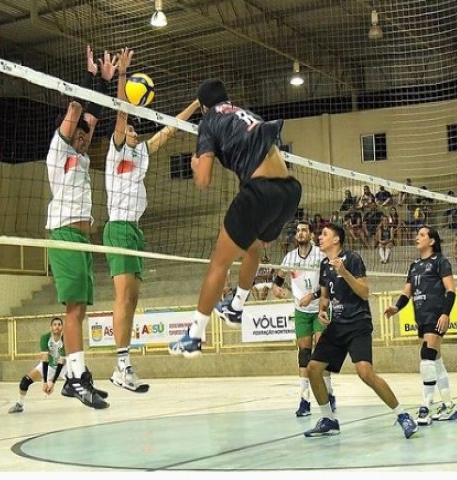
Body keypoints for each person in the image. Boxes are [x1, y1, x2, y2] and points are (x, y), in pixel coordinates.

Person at [168, 78, 302, 357]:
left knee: (218, 263)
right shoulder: (248, 114)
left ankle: (194, 335)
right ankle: (236, 307)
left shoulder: (209, 121)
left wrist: (194, 166)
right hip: (289, 193)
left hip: (260, 194)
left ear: (204, 107)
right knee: (251, 246)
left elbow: (203, 180)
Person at [105, 48, 200, 391]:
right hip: (117, 227)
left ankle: (124, 364)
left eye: (133, 128)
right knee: (122, 297)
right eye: (128, 128)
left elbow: (170, 130)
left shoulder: (140, 153)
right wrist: (121, 76)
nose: (132, 129)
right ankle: (121, 363)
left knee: (132, 299)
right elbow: (120, 112)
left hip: (135, 232)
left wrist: (195, 105)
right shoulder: (117, 150)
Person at [46, 46, 117, 409]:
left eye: (88, 134)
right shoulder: (59, 151)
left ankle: (78, 374)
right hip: (64, 237)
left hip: (80, 240)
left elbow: (92, 114)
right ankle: (74, 379)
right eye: (80, 133)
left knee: (80, 310)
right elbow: (77, 110)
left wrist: (105, 83)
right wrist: (89, 78)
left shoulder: (83, 156)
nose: (84, 136)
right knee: (73, 311)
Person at [303, 223, 418, 439]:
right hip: (336, 326)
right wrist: (322, 310)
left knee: (365, 373)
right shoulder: (324, 265)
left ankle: (403, 416)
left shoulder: (352, 259)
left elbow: (365, 293)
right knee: (312, 369)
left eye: (324, 234)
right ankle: (329, 420)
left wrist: (344, 272)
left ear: (336, 239)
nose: (319, 237)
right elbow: (325, 296)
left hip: (358, 323)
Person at [384, 226, 457, 425]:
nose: (417, 238)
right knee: (435, 362)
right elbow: (406, 293)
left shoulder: (440, 262)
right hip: (422, 318)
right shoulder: (415, 265)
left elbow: (451, 290)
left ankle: (425, 406)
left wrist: (445, 313)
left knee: (426, 358)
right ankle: (449, 406)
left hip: (436, 315)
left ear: (432, 241)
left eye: (422, 235)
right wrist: (396, 307)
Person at [272, 220, 334, 417]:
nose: (300, 233)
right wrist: (277, 288)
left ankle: (329, 393)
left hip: (320, 308)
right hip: (301, 311)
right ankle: (304, 400)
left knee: (322, 353)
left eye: (304, 230)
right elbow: (278, 279)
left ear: (311, 234)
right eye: (298, 231)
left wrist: (313, 296)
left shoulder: (321, 255)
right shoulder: (289, 258)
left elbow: (329, 283)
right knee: (304, 354)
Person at [8, 317, 66, 414]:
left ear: (62, 327)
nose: (57, 327)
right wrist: (45, 382)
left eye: (59, 325)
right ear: (51, 327)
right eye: (55, 325)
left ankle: (92, 398)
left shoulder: (65, 339)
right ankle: (20, 404)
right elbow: (45, 360)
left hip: (64, 366)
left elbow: (61, 362)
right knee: (24, 382)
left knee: (78, 382)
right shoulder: (45, 338)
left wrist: (52, 383)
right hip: (49, 365)